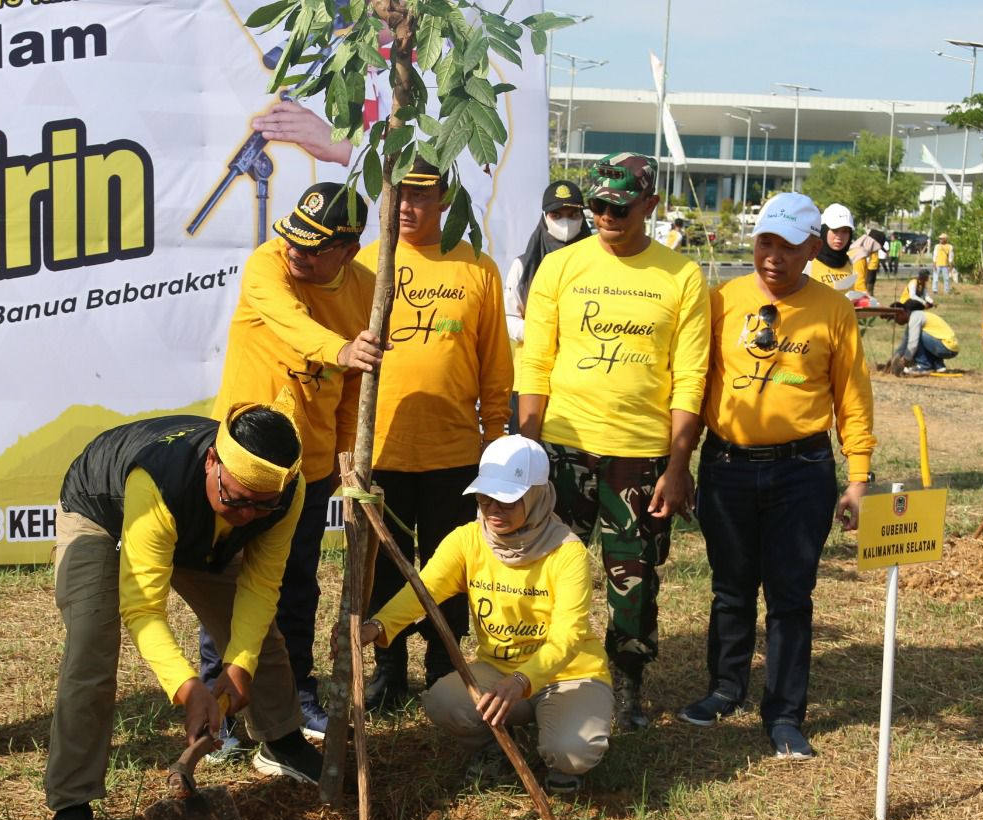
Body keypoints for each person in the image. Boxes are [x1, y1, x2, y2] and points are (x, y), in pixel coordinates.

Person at [44, 401, 317, 820]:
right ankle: (71, 806)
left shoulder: (286, 491)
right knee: (91, 647)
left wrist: (239, 666)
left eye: (261, 505)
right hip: (100, 509)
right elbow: (143, 609)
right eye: (237, 499)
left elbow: (261, 585)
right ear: (213, 461)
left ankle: (282, 740)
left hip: (192, 530)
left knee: (255, 634)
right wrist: (190, 690)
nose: (247, 515)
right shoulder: (159, 482)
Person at [516, 153, 711, 730]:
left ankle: (626, 682)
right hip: (563, 448)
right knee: (549, 567)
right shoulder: (560, 268)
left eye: (618, 208)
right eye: (595, 206)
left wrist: (679, 465)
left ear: (649, 206)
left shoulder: (681, 276)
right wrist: (530, 450)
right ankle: (549, 674)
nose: (604, 216)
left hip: (642, 456)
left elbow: (690, 376)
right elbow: (536, 363)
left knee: (635, 576)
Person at [677, 193, 876, 760]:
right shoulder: (722, 301)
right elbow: (694, 384)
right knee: (730, 586)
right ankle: (724, 688)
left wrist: (857, 476)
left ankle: (785, 714)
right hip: (727, 466)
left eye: (789, 247)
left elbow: (853, 398)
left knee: (791, 595)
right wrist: (683, 462)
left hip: (802, 471)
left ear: (812, 248)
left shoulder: (833, 310)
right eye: (766, 242)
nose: (773, 257)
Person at [208, 183, 382, 744]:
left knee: (296, 583)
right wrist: (340, 349)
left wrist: (347, 455)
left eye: (312, 247)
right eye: (292, 239)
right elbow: (289, 322)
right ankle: (221, 706)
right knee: (229, 582)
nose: (295, 253)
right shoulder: (267, 266)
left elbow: (356, 387)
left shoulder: (368, 291)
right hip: (241, 463)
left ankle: (297, 693)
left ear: (350, 249)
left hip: (309, 468)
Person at [356, 436, 612, 794]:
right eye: (484, 497)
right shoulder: (468, 540)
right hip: (498, 671)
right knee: (445, 702)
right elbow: (423, 590)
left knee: (572, 751)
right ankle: (502, 746)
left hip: (568, 675)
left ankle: (560, 750)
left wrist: (523, 681)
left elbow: (568, 635)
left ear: (537, 496)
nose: (492, 508)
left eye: (506, 500)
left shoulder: (566, 552)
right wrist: (376, 625)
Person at [357, 162, 511, 710]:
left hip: (453, 454)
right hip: (380, 452)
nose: (407, 205)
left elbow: (495, 368)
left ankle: (445, 664)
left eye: (421, 195)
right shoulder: (364, 266)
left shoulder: (476, 268)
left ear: (445, 200)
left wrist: (494, 442)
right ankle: (387, 667)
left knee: (450, 569)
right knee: (382, 563)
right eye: (397, 193)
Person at [504, 179, 589, 348]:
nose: (565, 223)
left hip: (584, 358)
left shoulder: (596, 261)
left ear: (582, 217)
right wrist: (540, 331)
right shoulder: (524, 265)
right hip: (536, 357)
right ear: (544, 217)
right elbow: (509, 316)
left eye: (573, 215)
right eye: (556, 215)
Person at [806, 203, 859, 293]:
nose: (839, 236)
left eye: (845, 231)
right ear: (824, 231)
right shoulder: (807, 261)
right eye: (835, 230)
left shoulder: (849, 262)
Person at [895, 308, 961, 375]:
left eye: (896, 317)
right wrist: (895, 358)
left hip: (946, 347)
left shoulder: (915, 318)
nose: (895, 321)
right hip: (950, 347)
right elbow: (904, 343)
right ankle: (939, 366)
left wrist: (904, 359)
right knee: (924, 335)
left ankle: (923, 366)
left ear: (902, 313)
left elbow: (913, 345)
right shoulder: (917, 317)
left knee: (917, 335)